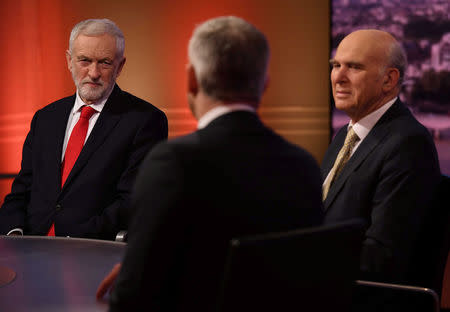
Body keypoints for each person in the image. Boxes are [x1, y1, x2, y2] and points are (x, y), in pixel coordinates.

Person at [96, 16, 324, 311]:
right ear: (264, 84)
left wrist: (133, 275)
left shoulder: (172, 162)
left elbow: (136, 295)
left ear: (192, 79)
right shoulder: (303, 166)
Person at [0, 19, 168, 240]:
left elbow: (133, 201)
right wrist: (14, 234)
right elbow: (21, 192)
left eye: (105, 63)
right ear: (69, 61)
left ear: (120, 66)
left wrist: (76, 238)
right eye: (84, 61)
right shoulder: (45, 118)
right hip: (30, 248)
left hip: (92, 251)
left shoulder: (145, 120)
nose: (93, 73)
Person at [322, 30, 441, 288]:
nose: (338, 77)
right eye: (336, 65)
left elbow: (381, 257)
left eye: (353, 67)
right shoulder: (345, 134)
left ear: (389, 79)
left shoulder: (408, 143)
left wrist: (297, 261)